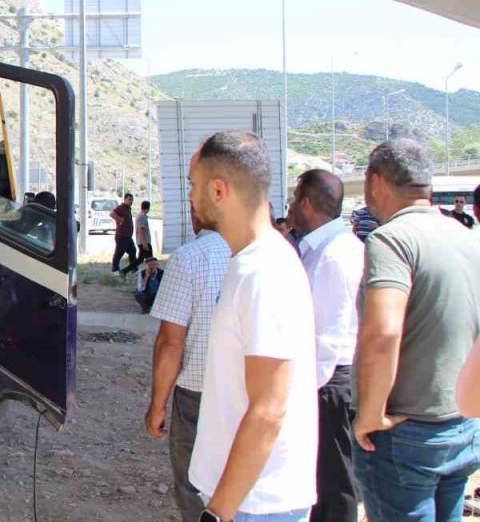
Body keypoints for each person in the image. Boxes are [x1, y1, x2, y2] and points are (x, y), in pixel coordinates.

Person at [187, 131, 318, 522]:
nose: (191, 197)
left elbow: (268, 409)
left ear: (218, 190)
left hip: (253, 505)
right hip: (245, 501)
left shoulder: (264, 272)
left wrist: (218, 513)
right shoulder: (251, 262)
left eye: (194, 186)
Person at [352, 138, 480, 522]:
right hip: (460, 424)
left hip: (404, 433)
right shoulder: (467, 238)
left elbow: (383, 332)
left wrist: (370, 414)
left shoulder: (391, 239)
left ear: (376, 182)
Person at [287, 169, 364, 522]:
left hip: (328, 382)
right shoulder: (327, 247)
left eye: (292, 200)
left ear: (306, 203)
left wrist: (301, 392)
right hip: (327, 380)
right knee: (322, 478)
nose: (288, 208)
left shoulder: (333, 254)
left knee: (335, 482)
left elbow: (326, 339)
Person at [146, 207, 232, 522]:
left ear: (196, 213)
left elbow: (170, 341)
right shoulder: (266, 254)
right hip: (251, 394)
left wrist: (157, 405)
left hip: (198, 395)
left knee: (194, 483)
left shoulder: (189, 258)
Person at [110, 193, 137, 275]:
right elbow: (112, 214)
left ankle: (133, 269)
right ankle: (115, 270)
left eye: (132, 200)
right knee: (119, 253)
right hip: (122, 236)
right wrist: (119, 219)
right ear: (125, 199)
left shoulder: (128, 209)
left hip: (128, 236)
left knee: (133, 250)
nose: (131, 201)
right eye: (129, 199)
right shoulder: (121, 208)